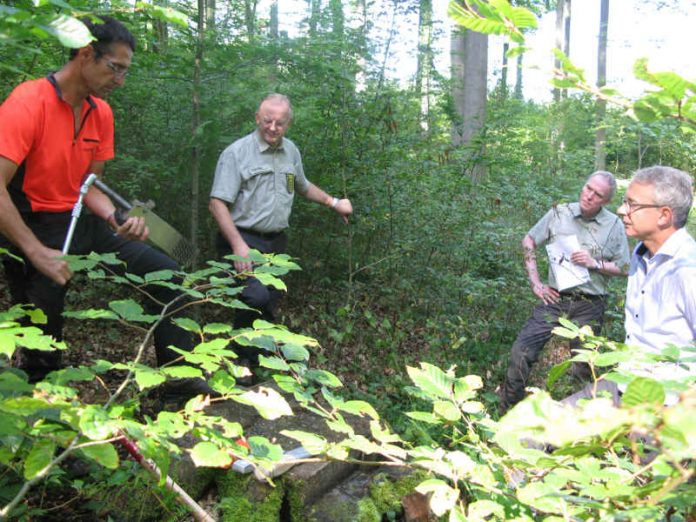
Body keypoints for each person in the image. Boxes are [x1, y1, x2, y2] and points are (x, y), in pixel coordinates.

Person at [0, 16, 206, 398]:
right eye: (115, 68)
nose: (120, 80)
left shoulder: (101, 113)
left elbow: (88, 185)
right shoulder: (26, 103)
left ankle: (178, 385)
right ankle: (45, 434)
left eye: (125, 71)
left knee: (168, 271)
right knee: (42, 335)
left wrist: (115, 219)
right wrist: (34, 251)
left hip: (80, 220)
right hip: (32, 226)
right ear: (84, 54)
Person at [209, 93, 353, 377]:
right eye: (267, 121)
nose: (273, 128)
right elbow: (217, 203)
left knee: (269, 301)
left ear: (288, 124)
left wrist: (333, 203)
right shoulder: (237, 153)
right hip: (241, 240)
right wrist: (238, 245)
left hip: (276, 243)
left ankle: (262, 359)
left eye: (280, 123)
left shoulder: (290, 152)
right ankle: (241, 363)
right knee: (255, 298)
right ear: (257, 119)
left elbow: (301, 185)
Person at [563, 166, 695, 408]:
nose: (622, 210)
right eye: (624, 202)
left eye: (632, 204)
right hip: (626, 384)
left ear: (664, 215)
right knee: (536, 428)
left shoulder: (688, 269)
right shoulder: (641, 253)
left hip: (667, 405)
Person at [499, 171, 630, 412]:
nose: (589, 196)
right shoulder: (560, 213)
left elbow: (624, 267)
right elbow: (528, 240)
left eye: (597, 194)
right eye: (588, 188)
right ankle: (509, 414)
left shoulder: (614, 225)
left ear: (606, 201)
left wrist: (595, 263)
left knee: (584, 366)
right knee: (522, 351)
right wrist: (536, 283)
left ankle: (580, 424)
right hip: (555, 299)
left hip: (590, 304)